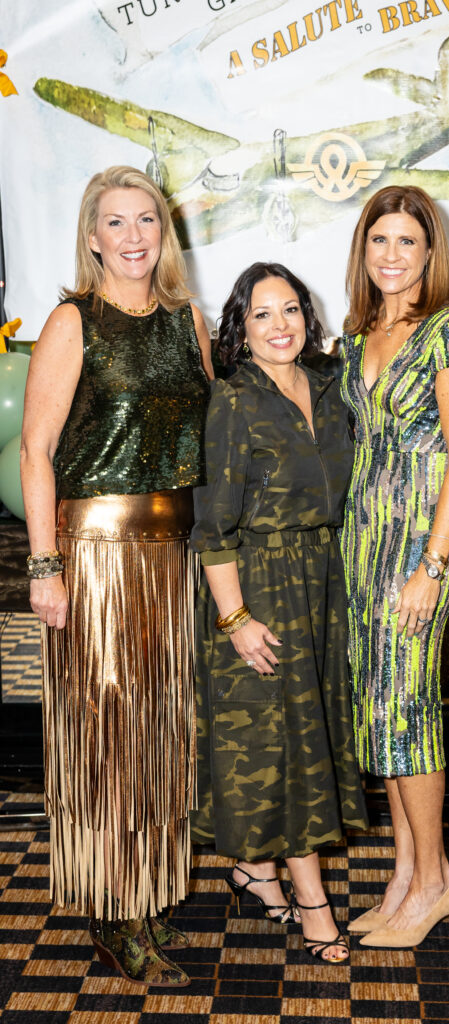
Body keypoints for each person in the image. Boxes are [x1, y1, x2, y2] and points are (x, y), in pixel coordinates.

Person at [20, 165, 213, 987]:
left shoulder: (188, 321)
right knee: (105, 732)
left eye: (147, 222)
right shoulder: (74, 321)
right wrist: (44, 565)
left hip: (171, 558)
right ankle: (108, 908)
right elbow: (35, 451)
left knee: (162, 730)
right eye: (117, 223)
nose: (134, 237)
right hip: (94, 558)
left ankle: (149, 887)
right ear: (92, 235)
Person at [191, 262, 368, 964]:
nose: (280, 325)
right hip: (259, 584)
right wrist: (235, 620)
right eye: (262, 314)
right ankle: (311, 899)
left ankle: (255, 871)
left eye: (290, 309)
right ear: (241, 327)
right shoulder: (234, 401)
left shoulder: (328, 387)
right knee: (282, 745)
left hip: (323, 581)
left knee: (308, 736)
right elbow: (212, 526)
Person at [340, 185, 449, 948]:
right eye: (379, 241)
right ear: (362, 251)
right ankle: (405, 876)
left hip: (422, 542)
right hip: (362, 542)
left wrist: (433, 567)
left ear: (430, 253)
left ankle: (435, 882)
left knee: (409, 706)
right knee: (382, 711)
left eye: (407, 242)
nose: (392, 255)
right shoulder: (357, 331)